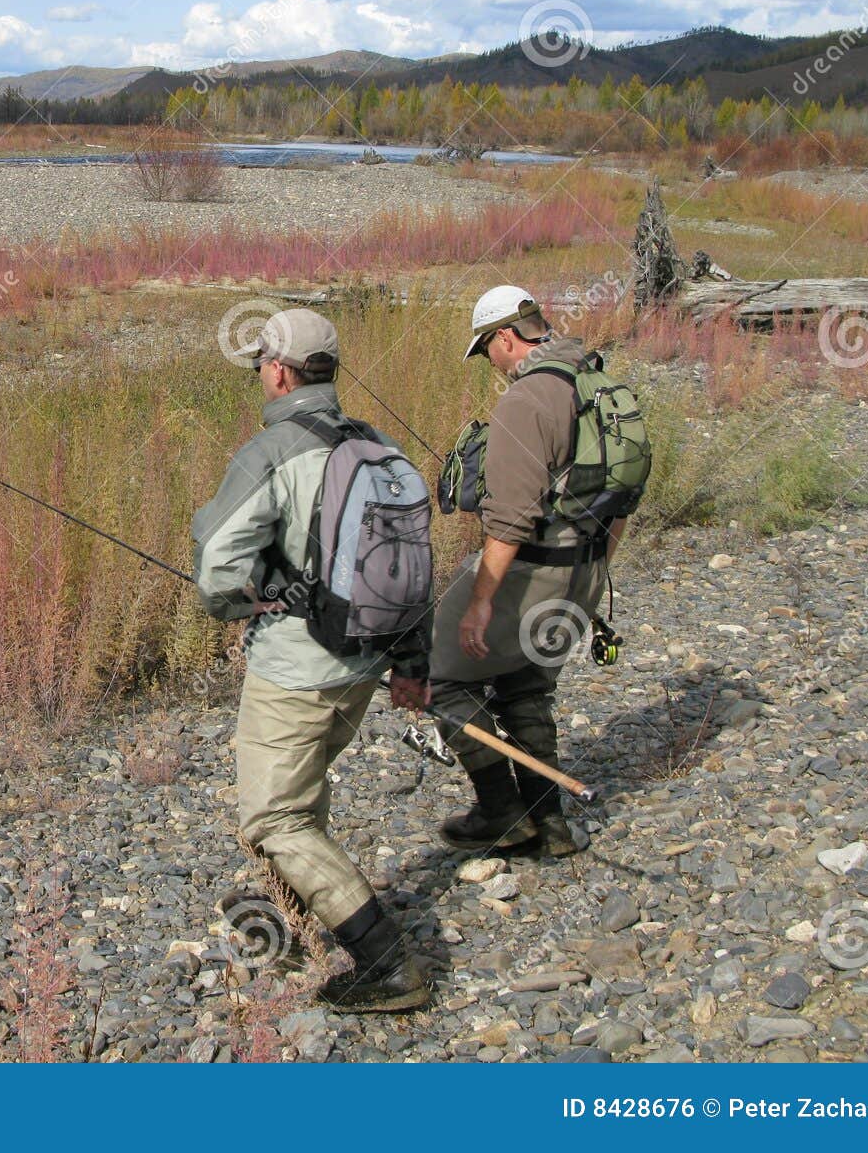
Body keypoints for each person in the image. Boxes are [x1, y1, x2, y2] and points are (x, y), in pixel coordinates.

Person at [191, 308, 431, 1013]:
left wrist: (244, 604)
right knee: (302, 792)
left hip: (296, 671)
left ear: (276, 371)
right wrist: (411, 663)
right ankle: (290, 917)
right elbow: (414, 570)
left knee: (274, 817)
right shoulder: (382, 445)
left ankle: (388, 964)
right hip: (365, 664)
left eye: (262, 366)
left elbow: (215, 567)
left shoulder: (270, 452)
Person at [431, 286, 627, 857]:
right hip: (588, 571)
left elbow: (511, 520)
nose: (487, 363)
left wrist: (481, 601)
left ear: (505, 338)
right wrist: (590, 582)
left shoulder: (527, 400)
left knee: (440, 677)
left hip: (532, 572)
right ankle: (553, 824)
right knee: (527, 684)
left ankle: (501, 813)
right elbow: (625, 497)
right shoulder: (604, 386)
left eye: (485, 350)